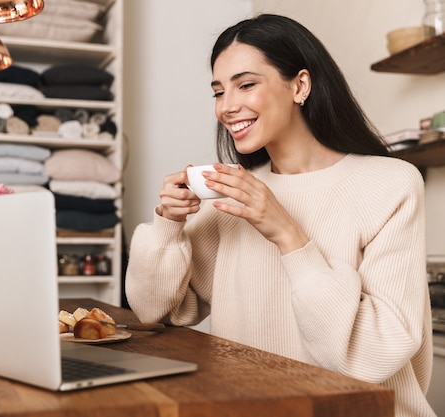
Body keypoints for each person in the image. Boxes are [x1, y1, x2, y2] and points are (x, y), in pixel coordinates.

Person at [125, 14, 436, 417]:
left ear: (300, 85)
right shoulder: (234, 192)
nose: (227, 106)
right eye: (219, 92)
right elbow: (159, 310)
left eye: (246, 84)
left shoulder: (391, 183)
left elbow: (373, 352)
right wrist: (169, 223)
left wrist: (288, 234)